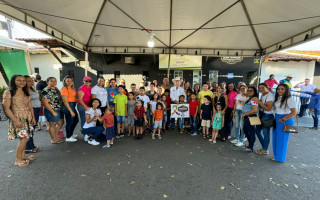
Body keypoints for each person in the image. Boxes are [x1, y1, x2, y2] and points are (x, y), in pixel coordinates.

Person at [3, 75, 36, 167]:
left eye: (23, 80)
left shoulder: (25, 91)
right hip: (17, 118)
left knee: (25, 138)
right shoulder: (8, 92)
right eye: (19, 80)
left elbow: (29, 105)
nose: (22, 82)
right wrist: (15, 120)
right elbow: (6, 108)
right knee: (24, 139)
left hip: (27, 118)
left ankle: (23, 156)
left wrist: (33, 117)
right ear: (13, 81)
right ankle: (17, 160)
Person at [272, 84, 297, 162]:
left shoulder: (289, 99)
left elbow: (294, 112)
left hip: (284, 120)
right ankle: (276, 156)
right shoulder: (278, 97)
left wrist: (283, 119)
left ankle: (280, 158)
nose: (280, 90)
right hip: (277, 118)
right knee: (275, 138)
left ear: (286, 90)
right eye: (278, 89)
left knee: (282, 140)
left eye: (282, 89)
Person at [252, 83, 274, 155]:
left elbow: (268, 108)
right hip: (261, 115)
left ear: (267, 87)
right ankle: (264, 147)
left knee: (266, 133)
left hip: (267, 116)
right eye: (259, 88)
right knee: (257, 131)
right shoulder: (263, 94)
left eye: (263, 87)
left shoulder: (270, 96)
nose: (261, 89)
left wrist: (258, 101)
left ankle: (265, 149)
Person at [41, 77, 64, 144]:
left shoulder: (56, 89)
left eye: (55, 81)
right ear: (47, 82)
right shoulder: (46, 90)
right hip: (51, 109)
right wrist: (52, 112)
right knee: (52, 124)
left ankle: (55, 136)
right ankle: (53, 139)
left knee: (61, 122)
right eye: (51, 81)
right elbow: (45, 103)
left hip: (58, 108)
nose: (54, 82)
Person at [25, 75, 41, 153]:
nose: (31, 82)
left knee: (32, 129)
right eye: (28, 81)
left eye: (31, 80)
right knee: (30, 129)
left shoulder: (31, 89)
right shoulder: (24, 92)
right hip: (32, 111)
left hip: (36, 110)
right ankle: (28, 147)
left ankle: (31, 145)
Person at [60, 75, 79, 142]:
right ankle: (68, 137)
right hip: (67, 106)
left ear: (72, 82)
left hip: (72, 105)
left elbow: (72, 98)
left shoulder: (72, 88)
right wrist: (71, 111)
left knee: (76, 120)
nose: (69, 82)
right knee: (69, 122)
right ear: (64, 81)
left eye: (70, 81)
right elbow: (65, 101)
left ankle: (70, 134)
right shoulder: (64, 89)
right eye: (67, 81)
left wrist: (77, 100)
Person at [241, 86, 259, 152]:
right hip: (247, 117)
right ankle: (249, 145)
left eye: (251, 91)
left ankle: (251, 147)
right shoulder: (250, 98)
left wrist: (245, 114)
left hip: (250, 117)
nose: (249, 92)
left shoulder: (254, 99)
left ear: (254, 92)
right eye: (248, 90)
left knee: (250, 132)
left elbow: (255, 110)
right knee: (246, 131)